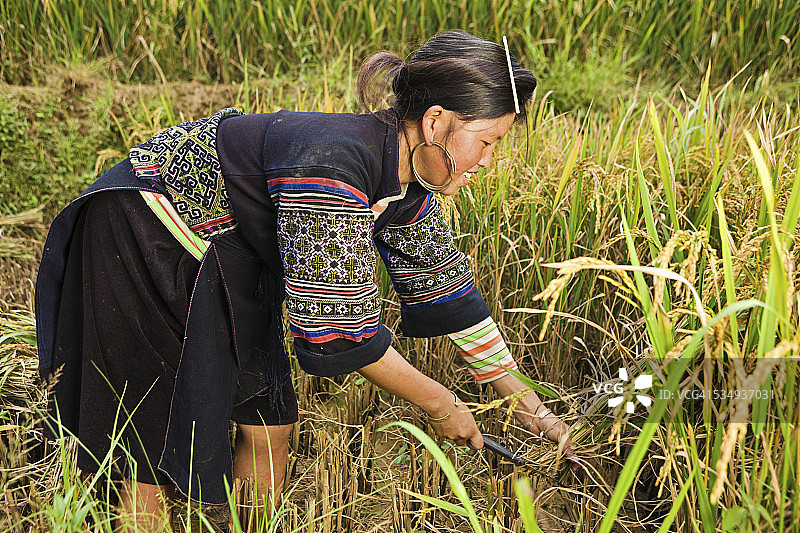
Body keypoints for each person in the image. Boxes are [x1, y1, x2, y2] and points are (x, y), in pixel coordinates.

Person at [35, 30, 575, 530]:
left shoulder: (410, 185)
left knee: (269, 423)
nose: (488, 160)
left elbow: (453, 299)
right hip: (145, 231)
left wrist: (531, 409)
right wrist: (442, 404)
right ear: (435, 123)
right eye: (486, 141)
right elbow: (342, 328)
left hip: (233, 246)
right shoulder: (332, 167)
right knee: (146, 443)